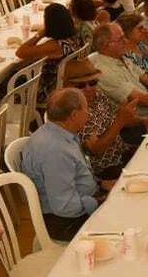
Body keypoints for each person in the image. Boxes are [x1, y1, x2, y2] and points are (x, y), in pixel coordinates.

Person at [64, 54, 148, 180]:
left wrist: (146, 120)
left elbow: (120, 119)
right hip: (107, 169)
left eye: (93, 82)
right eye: (80, 85)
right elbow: (96, 149)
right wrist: (120, 121)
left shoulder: (98, 95)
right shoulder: (73, 112)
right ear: (68, 87)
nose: (89, 88)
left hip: (123, 153)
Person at [22, 88, 100, 242]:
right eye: (86, 108)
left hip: (77, 202)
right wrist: (98, 202)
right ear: (74, 115)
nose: (89, 113)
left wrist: (101, 184)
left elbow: (73, 174)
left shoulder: (57, 131)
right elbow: (65, 206)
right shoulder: (56, 151)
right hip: (65, 222)